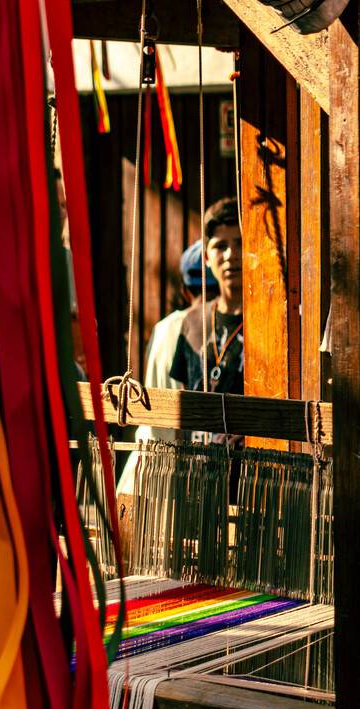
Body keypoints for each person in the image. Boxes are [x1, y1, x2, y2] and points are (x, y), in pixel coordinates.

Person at [116, 241, 220, 494]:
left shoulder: (164, 327)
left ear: (185, 291)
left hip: (143, 468)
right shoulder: (209, 330)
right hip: (182, 477)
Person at [169, 198, 243, 395]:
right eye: (221, 246)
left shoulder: (273, 327)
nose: (231, 255)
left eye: (240, 243)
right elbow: (184, 401)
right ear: (207, 257)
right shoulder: (192, 322)